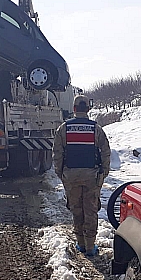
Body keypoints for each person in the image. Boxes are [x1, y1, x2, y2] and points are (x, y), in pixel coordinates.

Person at [53, 95, 111, 256]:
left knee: (76, 209)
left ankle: (80, 243)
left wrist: (61, 173)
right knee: (91, 209)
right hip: (91, 175)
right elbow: (105, 151)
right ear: (88, 109)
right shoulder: (95, 128)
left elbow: (57, 153)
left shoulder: (64, 128)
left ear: (74, 109)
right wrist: (103, 172)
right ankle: (91, 246)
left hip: (70, 175)